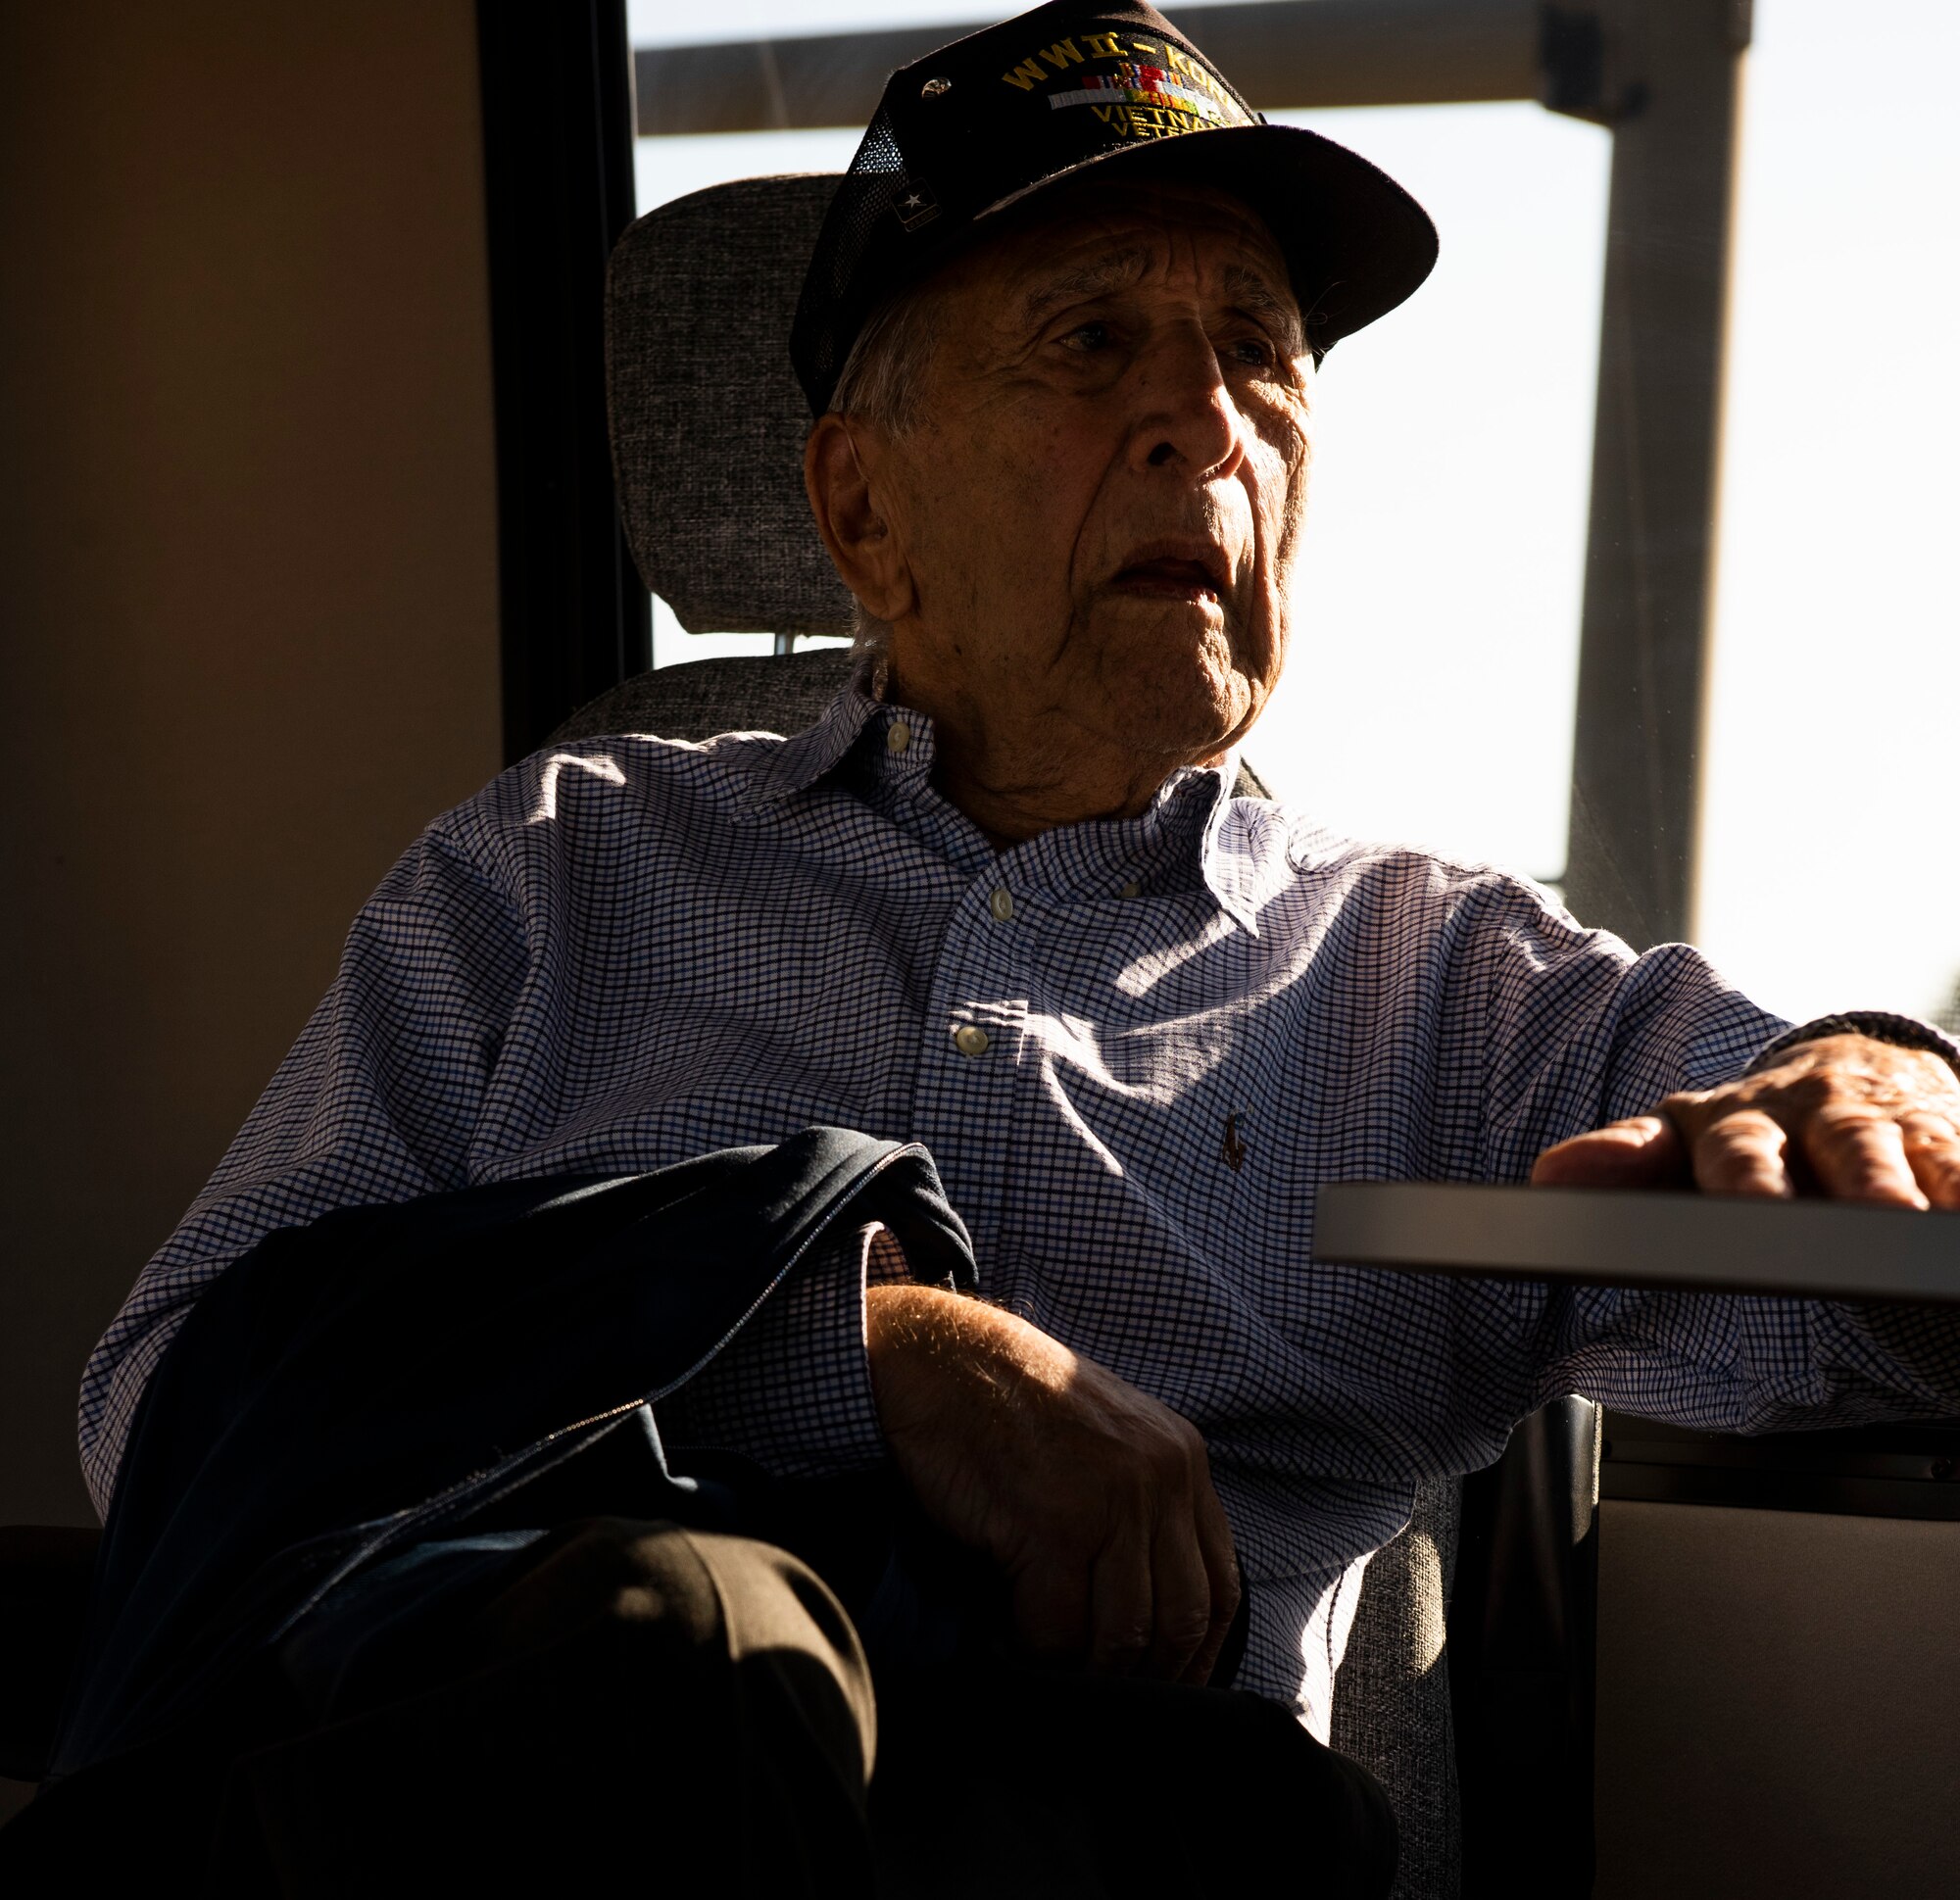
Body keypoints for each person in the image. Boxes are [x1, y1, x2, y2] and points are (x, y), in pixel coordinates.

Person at [33, 1, 1960, 1891]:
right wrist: (845, 1345)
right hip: (569, 1772)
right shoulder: (549, 885)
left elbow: (1829, 1253)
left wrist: (1884, 1083)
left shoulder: (1441, 981)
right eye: (1093, 336)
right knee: (674, 1635)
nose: (1203, 420)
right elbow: (174, 1403)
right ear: (862, 508)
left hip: (1121, 1829)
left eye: (1257, 352)